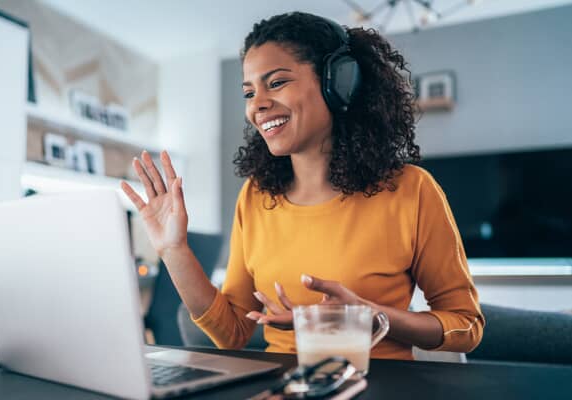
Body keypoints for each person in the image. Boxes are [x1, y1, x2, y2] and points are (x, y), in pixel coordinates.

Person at [121, 12, 484, 360]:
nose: (258, 106)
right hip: (285, 387)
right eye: (249, 93)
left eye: (276, 83)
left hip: (379, 384)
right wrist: (174, 250)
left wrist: (371, 316)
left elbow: (466, 326)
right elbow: (232, 333)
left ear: (339, 83)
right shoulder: (257, 195)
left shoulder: (412, 190)